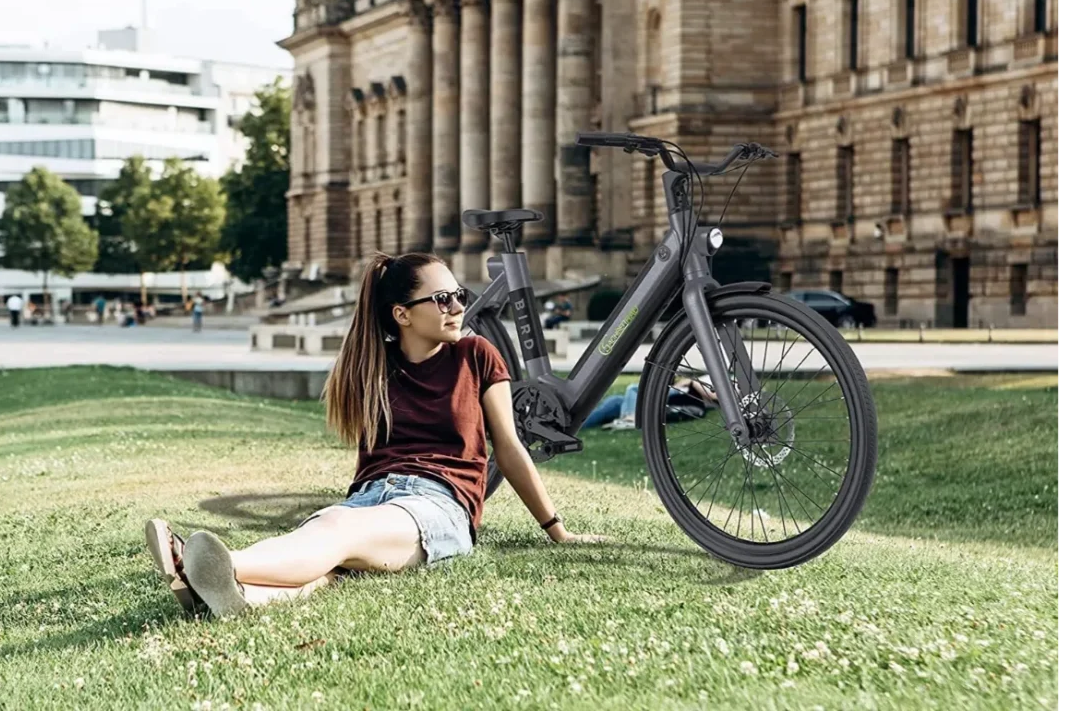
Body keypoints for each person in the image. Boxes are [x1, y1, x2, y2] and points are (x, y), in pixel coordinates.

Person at [144, 252, 608, 618]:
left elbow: (508, 448)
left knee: (337, 533)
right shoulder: (372, 365)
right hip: (369, 496)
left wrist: (557, 531)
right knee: (331, 552)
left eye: (458, 294)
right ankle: (239, 595)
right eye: (442, 299)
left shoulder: (477, 355)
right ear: (402, 315)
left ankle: (209, 565)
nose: (459, 307)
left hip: (439, 505)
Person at [580, 376, 718, 430]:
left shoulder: (697, 391)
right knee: (614, 401)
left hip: (674, 398)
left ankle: (630, 418)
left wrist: (693, 381)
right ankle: (576, 426)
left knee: (633, 389)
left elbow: (715, 395)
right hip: (664, 396)